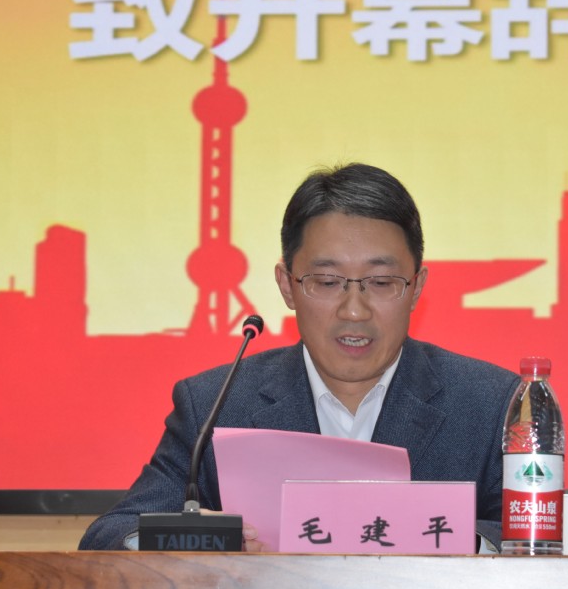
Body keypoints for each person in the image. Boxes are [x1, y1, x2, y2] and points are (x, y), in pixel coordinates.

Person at [79, 163, 520, 551]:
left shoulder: (489, 403)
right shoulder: (217, 402)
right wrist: (202, 539)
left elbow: (537, 538)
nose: (354, 310)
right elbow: (111, 535)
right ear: (287, 286)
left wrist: (448, 537)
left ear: (416, 287)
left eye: (381, 282)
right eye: (327, 282)